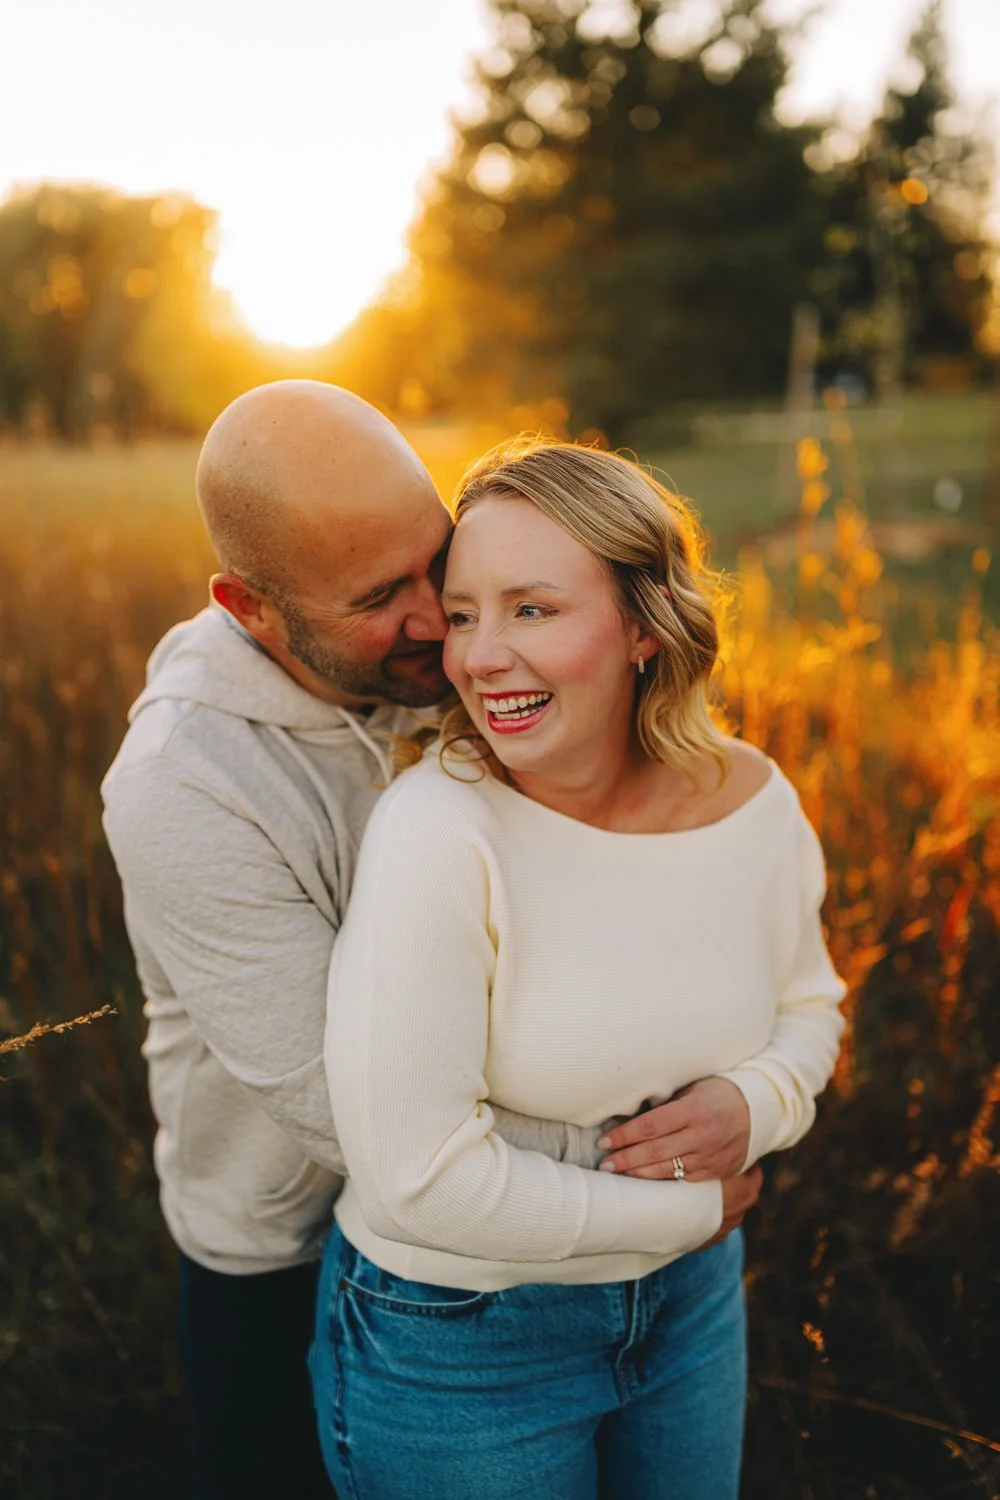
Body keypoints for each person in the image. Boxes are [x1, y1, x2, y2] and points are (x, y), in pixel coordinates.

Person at [101, 384, 624, 1500]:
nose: (440, 618)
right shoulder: (179, 789)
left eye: (431, 558)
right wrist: (641, 1157)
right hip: (280, 1247)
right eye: (380, 596)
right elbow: (353, 1112)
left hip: (498, 1213)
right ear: (251, 608)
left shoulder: (460, 654)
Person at [313, 438, 847, 1500]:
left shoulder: (750, 801)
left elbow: (810, 1007)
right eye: (462, 614)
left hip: (694, 1306)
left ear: (643, 628)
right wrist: (690, 1213)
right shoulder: (440, 831)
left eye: (532, 609)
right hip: (465, 1341)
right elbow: (417, 1180)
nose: (479, 657)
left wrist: (758, 1104)